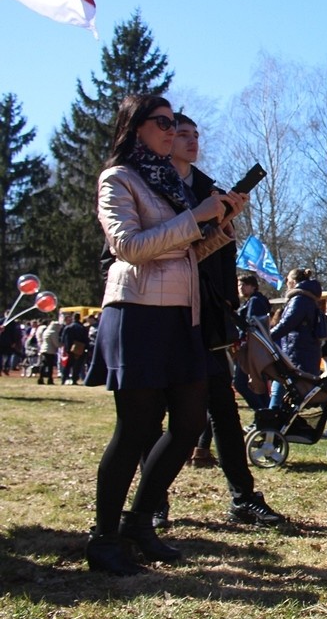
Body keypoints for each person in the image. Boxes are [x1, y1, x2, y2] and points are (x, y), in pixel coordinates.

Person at [86, 94, 245, 575]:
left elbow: (184, 253)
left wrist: (219, 227)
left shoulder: (170, 184)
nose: (172, 129)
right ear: (136, 128)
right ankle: (104, 537)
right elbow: (129, 247)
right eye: (163, 123)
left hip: (181, 314)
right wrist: (194, 218)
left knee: (188, 423)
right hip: (135, 312)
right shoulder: (118, 179)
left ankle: (139, 522)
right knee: (135, 429)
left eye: (174, 122)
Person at [162, 112, 285, 526]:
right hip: (166, 312)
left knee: (224, 412)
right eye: (182, 134)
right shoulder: (154, 186)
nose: (192, 141)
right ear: (163, 138)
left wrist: (224, 226)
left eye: (196, 135)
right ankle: (153, 502)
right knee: (158, 414)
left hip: (210, 318)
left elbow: (215, 257)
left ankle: (244, 497)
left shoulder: (208, 189)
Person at [267, 268, 327, 439]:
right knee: (314, 392)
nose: (286, 284)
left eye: (287, 281)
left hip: (297, 352)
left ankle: (271, 429)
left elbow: (287, 323)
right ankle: (272, 427)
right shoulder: (308, 298)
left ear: (293, 282)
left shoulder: (299, 300)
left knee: (284, 389)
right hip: (302, 351)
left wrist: (268, 337)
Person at [235, 274, 271, 411]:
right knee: (259, 385)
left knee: (240, 383)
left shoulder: (255, 301)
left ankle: (261, 412)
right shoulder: (255, 301)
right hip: (257, 348)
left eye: (244, 285)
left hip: (251, 348)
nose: (240, 288)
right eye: (239, 285)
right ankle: (267, 415)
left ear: (253, 286)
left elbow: (251, 325)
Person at [60, 312, 90, 385]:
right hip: (80, 348)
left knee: (67, 365)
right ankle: (74, 379)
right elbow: (86, 339)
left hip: (70, 348)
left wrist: (66, 348)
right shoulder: (82, 327)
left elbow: (63, 339)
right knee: (77, 365)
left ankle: (63, 379)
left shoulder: (68, 327)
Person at [37, 311, 62, 385]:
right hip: (50, 351)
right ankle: (50, 379)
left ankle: (40, 378)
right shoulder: (53, 332)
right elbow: (56, 343)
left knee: (43, 365)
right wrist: (61, 345)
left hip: (43, 349)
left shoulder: (46, 331)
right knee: (50, 366)